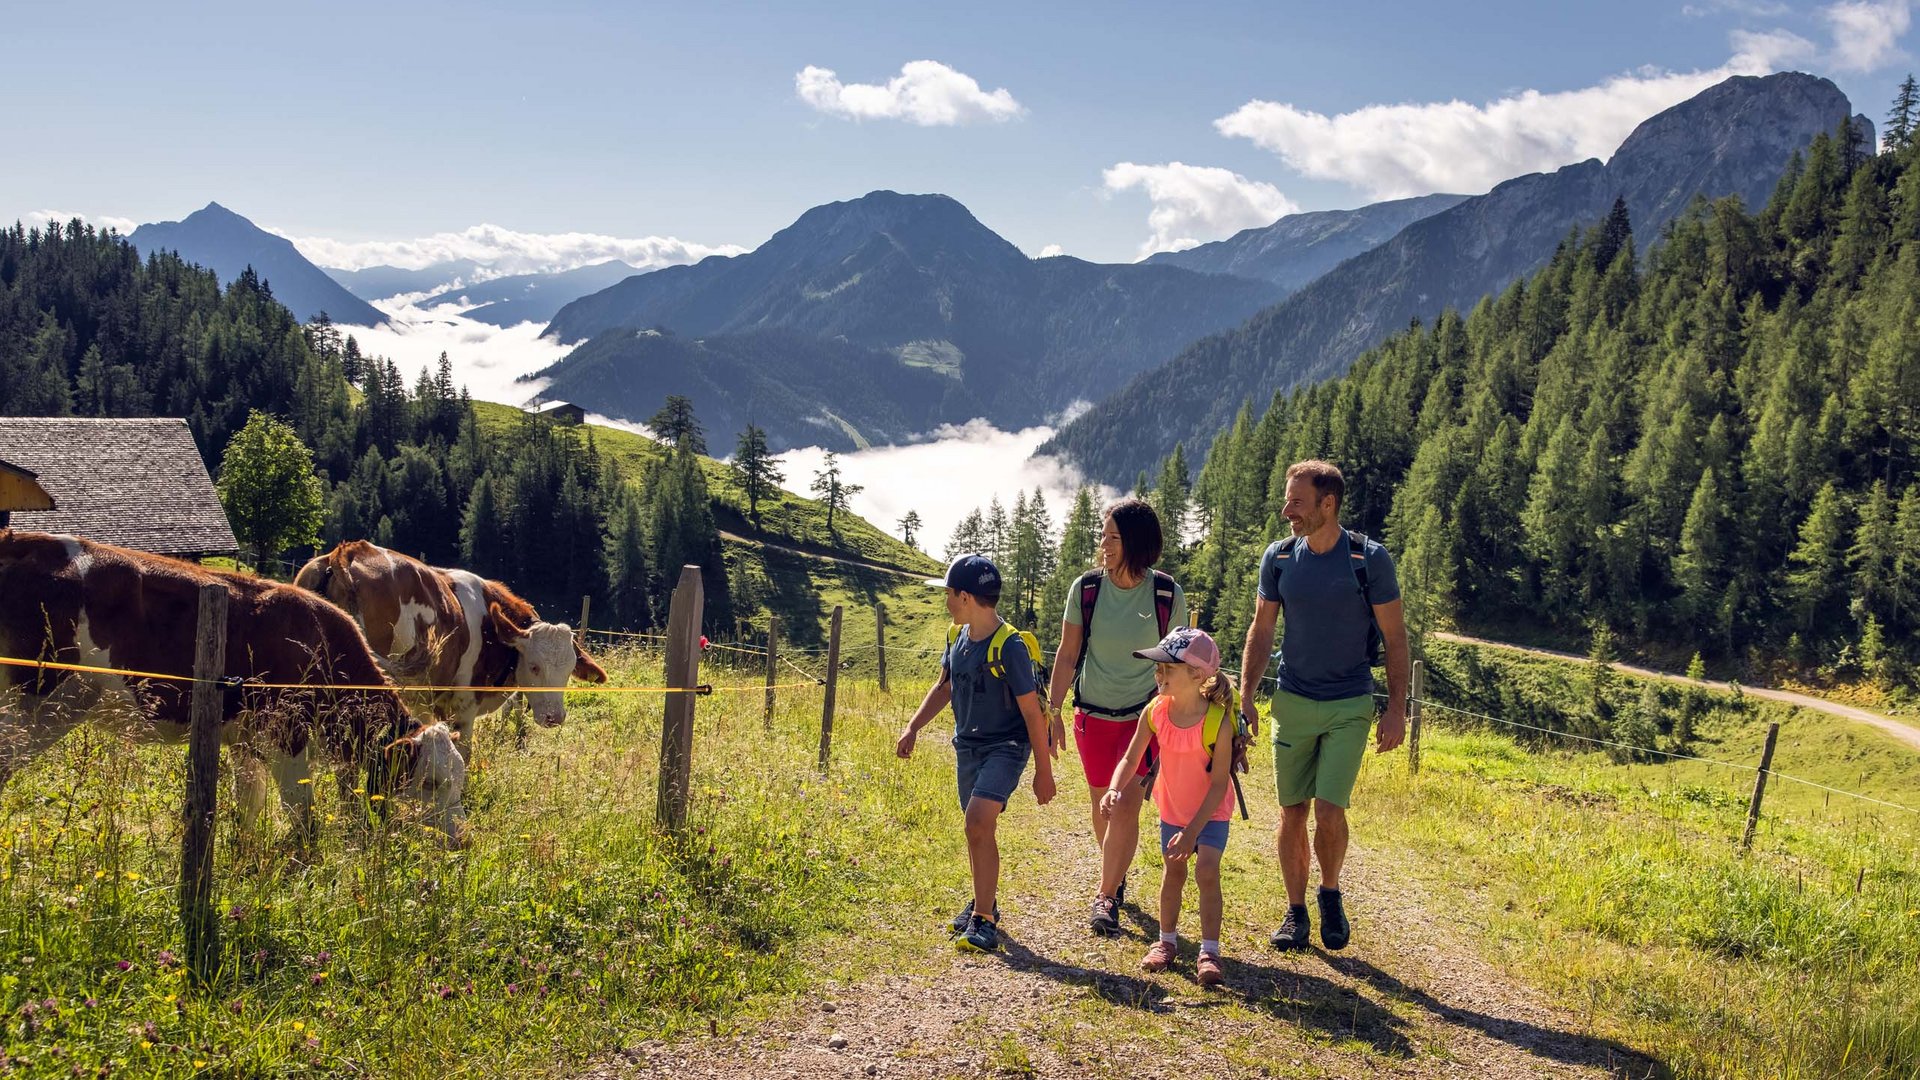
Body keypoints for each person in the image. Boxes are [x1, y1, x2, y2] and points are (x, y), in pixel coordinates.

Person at [1237, 460, 1409, 952]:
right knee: (1292, 811)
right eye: (1288, 499)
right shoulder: (1281, 558)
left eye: (1296, 501)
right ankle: (1295, 914)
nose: (1286, 510)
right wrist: (1247, 697)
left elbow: (1395, 638)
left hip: (1349, 704)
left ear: (1327, 504)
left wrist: (1396, 709)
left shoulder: (1368, 559)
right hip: (1292, 700)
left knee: (1329, 811)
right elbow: (1262, 629)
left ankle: (1329, 893)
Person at [898, 554, 1057, 954]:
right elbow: (944, 688)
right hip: (967, 747)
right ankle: (982, 901)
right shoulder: (956, 638)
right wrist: (913, 727)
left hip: (1006, 747)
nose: (947, 602)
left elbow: (1030, 712)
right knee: (978, 831)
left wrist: (1043, 770)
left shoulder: (1011, 647)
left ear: (966, 597)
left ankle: (984, 919)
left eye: (950, 594)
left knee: (977, 822)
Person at [1044, 497, 1188, 936]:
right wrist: (1053, 711)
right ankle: (1117, 875)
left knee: (1124, 804)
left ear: (1136, 542)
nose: (1103, 544)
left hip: (1144, 717)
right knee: (1101, 805)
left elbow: (1181, 664)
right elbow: (1068, 655)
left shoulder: (1166, 595)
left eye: (1113, 536)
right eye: (1102, 535)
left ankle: (1104, 896)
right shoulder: (1086, 590)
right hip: (1092, 714)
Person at [1102, 627, 1237, 986]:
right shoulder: (1155, 711)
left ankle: (1209, 951)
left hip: (1210, 812)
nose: (1157, 675)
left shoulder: (1217, 722)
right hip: (1173, 809)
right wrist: (1114, 789)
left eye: (1167, 669)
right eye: (1157, 667)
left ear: (1197, 675)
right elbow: (1131, 759)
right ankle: (1166, 942)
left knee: (1206, 871)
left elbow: (1220, 784)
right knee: (1173, 872)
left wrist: (1193, 832)